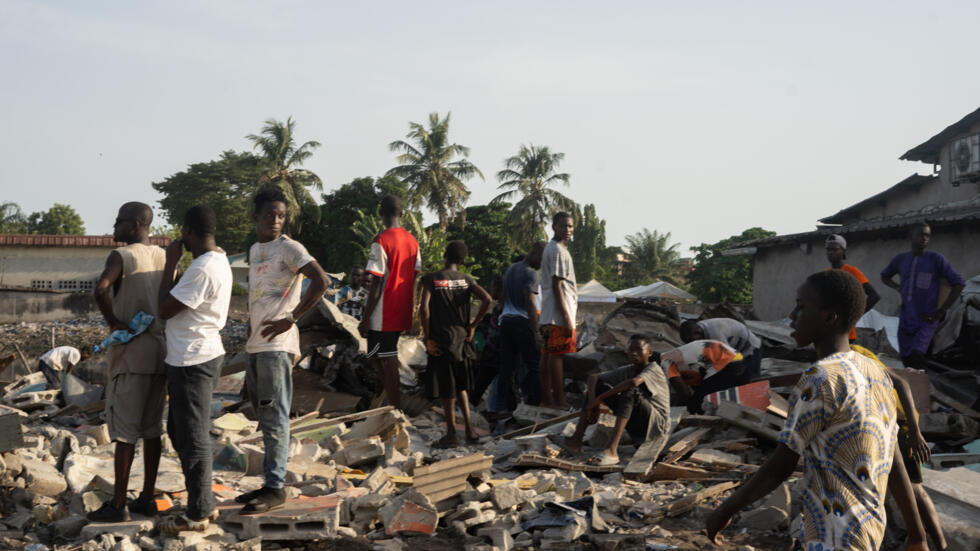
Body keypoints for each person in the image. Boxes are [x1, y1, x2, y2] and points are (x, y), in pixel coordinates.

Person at [706, 270, 928, 551]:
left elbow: (781, 466)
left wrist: (724, 510)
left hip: (834, 537)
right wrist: (916, 533)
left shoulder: (820, 378)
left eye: (801, 305)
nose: (791, 315)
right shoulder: (874, 370)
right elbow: (891, 452)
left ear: (828, 317)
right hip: (868, 531)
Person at [236, 187, 328, 515]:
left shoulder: (290, 248)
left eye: (281, 216)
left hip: (278, 345)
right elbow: (260, 293)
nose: (276, 221)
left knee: (276, 416)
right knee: (264, 415)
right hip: (257, 343)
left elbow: (321, 281)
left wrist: (292, 318)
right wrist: (251, 322)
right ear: (256, 217)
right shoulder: (255, 249)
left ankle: (276, 488)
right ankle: (268, 482)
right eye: (270, 215)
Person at [88, 202, 168, 523]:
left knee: (124, 433)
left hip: (131, 354)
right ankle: (146, 498)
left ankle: (118, 503)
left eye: (119, 221)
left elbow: (101, 289)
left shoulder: (122, 257)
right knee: (152, 431)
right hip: (160, 353)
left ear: (136, 224)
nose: (114, 227)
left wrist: (113, 323)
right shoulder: (164, 256)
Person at [155, 205, 232, 532]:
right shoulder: (217, 260)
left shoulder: (201, 268)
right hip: (193, 355)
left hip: (193, 359)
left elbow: (164, 308)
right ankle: (202, 502)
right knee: (179, 430)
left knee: (193, 435)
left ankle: (199, 512)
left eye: (182, 232)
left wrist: (170, 262)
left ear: (188, 231)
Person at [851, 345, 947, 551]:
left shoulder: (854, 354)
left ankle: (937, 544)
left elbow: (901, 383)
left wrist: (914, 432)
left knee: (912, 488)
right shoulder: (834, 360)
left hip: (898, 426)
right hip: (880, 426)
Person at [419, 241, 492, 447]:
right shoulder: (467, 280)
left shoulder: (432, 279)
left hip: (442, 341)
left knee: (446, 389)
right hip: (462, 340)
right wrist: (473, 326)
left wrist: (428, 338)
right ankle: (470, 431)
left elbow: (424, 309)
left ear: (445, 256)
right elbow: (487, 299)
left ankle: (451, 434)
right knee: (461, 387)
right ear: (462, 261)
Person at [562, 335, 671, 466]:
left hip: (655, 425)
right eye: (631, 350)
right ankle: (576, 441)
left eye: (639, 350)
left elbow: (633, 382)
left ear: (650, 353)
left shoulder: (653, 369)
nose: (634, 353)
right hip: (635, 421)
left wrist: (599, 399)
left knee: (630, 392)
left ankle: (612, 450)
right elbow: (593, 378)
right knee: (599, 386)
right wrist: (592, 403)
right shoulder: (629, 369)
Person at [358, 195, 421, 411]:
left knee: (387, 358)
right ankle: (392, 398)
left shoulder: (381, 240)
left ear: (381, 213)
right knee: (376, 355)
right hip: (402, 307)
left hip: (383, 311)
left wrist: (365, 318)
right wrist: (412, 307)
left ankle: (396, 408)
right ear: (402, 214)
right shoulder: (413, 241)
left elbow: (376, 281)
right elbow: (415, 275)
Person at [881, 222, 965, 369]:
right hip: (906, 319)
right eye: (921, 234)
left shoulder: (936, 259)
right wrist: (897, 287)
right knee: (906, 360)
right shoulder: (900, 260)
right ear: (911, 236)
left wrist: (942, 311)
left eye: (928, 235)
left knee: (917, 356)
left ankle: (924, 388)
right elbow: (885, 276)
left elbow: (958, 283)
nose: (925, 238)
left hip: (926, 320)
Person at [493, 241, 546, 412]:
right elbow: (530, 303)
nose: (541, 265)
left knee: (506, 367)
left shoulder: (511, 269)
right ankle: (534, 403)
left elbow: (502, 299)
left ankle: (502, 406)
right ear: (537, 254)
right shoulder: (531, 274)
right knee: (534, 365)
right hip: (522, 323)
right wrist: (536, 331)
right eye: (542, 260)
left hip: (506, 322)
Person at [539, 212, 577, 409]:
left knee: (547, 355)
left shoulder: (554, 249)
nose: (568, 230)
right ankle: (558, 400)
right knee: (556, 356)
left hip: (548, 313)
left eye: (570, 226)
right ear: (554, 226)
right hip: (557, 315)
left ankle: (547, 399)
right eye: (563, 226)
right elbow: (557, 286)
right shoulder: (557, 251)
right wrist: (567, 318)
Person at [661, 339, 740, 414]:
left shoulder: (666, 363)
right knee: (702, 395)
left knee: (696, 403)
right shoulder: (672, 357)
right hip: (736, 358)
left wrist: (675, 408)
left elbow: (685, 395)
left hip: (730, 362)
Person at [824, 234, 880, 341]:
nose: (831, 252)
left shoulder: (852, 272)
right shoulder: (826, 274)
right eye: (828, 249)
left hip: (845, 333)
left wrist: (853, 316)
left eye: (835, 249)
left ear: (843, 251)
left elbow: (874, 296)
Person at [679, 317, 762, 381]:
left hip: (750, 348)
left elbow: (731, 360)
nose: (693, 344)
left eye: (693, 341)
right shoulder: (697, 331)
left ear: (698, 332)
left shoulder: (716, 335)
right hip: (735, 348)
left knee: (750, 380)